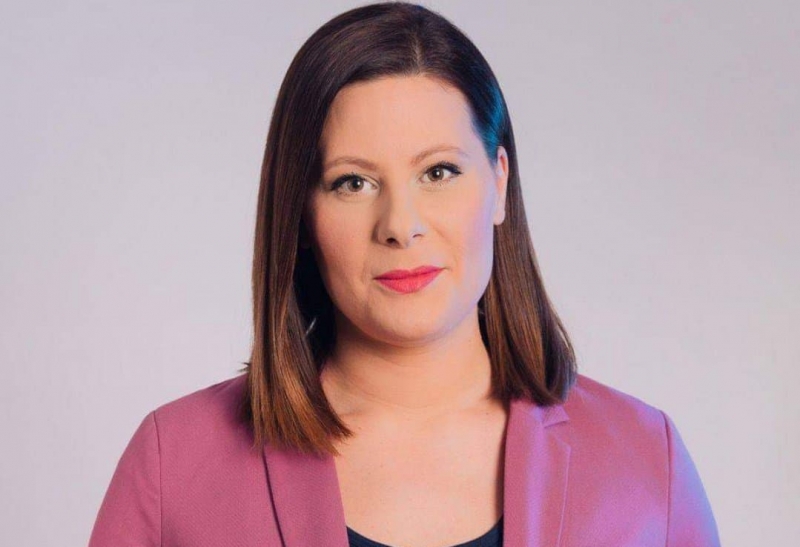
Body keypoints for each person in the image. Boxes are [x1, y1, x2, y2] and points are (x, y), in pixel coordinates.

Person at [88, 2, 721, 546]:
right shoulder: (175, 463)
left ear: (499, 183)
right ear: (301, 213)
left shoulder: (646, 460)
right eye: (352, 182)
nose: (400, 224)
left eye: (439, 172)